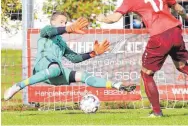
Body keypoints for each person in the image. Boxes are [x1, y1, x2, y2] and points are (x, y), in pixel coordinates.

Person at [4, 11, 136, 101]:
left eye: (65, 22)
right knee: (55, 68)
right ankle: (18, 86)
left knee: (83, 76)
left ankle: (117, 85)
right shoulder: (45, 31)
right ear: (53, 22)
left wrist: (93, 53)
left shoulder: (61, 42)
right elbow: (51, 31)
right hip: (42, 67)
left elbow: (75, 58)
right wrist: (68, 29)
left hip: (55, 73)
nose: (64, 24)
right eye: (61, 22)